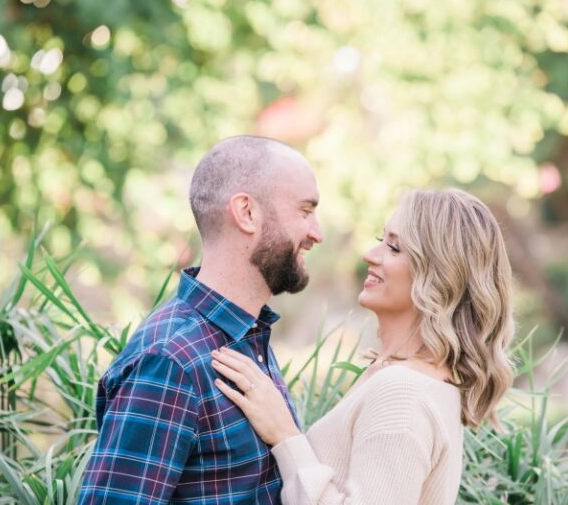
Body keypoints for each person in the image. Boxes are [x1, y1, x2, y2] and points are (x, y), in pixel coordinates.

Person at [212, 188, 515, 504]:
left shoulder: (403, 393)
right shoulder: (400, 376)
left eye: (395, 247)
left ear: (440, 276)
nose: (370, 254)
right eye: (381, 239)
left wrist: (285, 436)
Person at [78, 135, 324, 504]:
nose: (316, 232)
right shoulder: (171, 361)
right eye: (305, 211)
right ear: (247, 213)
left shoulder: (245, 336)